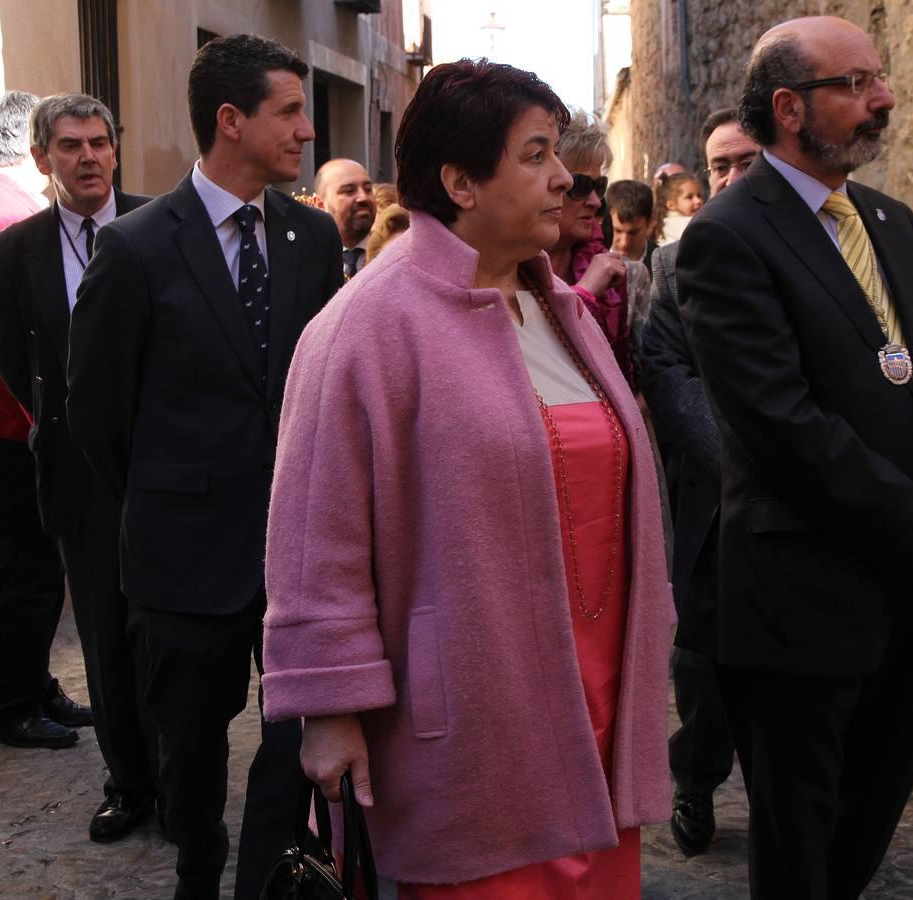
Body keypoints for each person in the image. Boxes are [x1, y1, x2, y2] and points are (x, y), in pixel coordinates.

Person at [260, 59, 674, 899]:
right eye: (534, 155)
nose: (565, 178)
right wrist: (329, 710)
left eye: (558, 153)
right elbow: (316, 538)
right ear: (459, 182)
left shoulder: (557, 308)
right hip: (469, 713)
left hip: (595, 692)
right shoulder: (366, 325)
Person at [675, 16, 913, 899]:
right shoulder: (728, 237)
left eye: (876, 79)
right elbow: (780, 424)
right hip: (803, 606)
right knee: (800, 847)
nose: (880, 99)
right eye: (854, 85)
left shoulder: (891, 222)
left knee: (866, 828)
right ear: (788, 107)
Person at [66, 34, 343, 900]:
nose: (306, 131)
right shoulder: (140, 247)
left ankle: (268, 869)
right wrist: (169, 497)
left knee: (299, 731)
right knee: (187, 740)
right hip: (184, 557)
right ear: (231, 120)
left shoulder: (312, 236)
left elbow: (322, 382)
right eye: (289, 111)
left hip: (299, 549)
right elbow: (97, 413)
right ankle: (196, 865)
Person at [0, 92, 157, 842]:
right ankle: (128, 784)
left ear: (116, 151)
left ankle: (184, 781)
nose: (87, 156)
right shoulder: (15, 250)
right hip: (77, 480)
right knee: (103, 638)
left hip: (163, 472)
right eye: (69, 145)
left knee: (168, 637)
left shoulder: (161, 226)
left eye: (99, 142)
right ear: (41, 159)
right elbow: (11, 362)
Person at [0, 90, 92, 751]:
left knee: (30, 565)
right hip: (2, 420)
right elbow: (21, 341)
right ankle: (12, 708)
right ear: (33, 148)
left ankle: (33, 689)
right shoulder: (4, 216)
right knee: (24, 568)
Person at [638, 105, 757, 857]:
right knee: (704, 667)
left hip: (817, 516)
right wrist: (749, 469)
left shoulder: (841, 249)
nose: (731, 178)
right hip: (717, 505)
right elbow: (666, 371)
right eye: (719, 166)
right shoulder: (673, 268)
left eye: (745, 161)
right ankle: (694, 779)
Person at [544, 110, 649, 382]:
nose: (594, 201)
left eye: (599, 185)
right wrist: (585, 294)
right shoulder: (504, 272)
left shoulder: (625, 276)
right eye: (579, 185)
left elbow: (648, 376)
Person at [315, 157, 376, 279]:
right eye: (349, 191)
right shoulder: (307, 261)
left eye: (368, 189)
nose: (363, 197)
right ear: (320, 204)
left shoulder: (392, 252)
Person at [607, 179, 655, 269]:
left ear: (650, 222)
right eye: (617, 231)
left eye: (633, 233)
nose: (624, 243)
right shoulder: (587, 259)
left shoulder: (664, 266)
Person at [654, 173, 704, 246]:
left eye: (699, 195)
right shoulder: (684, 225)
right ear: (671, 205)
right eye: (689, 197)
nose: (698, 201)